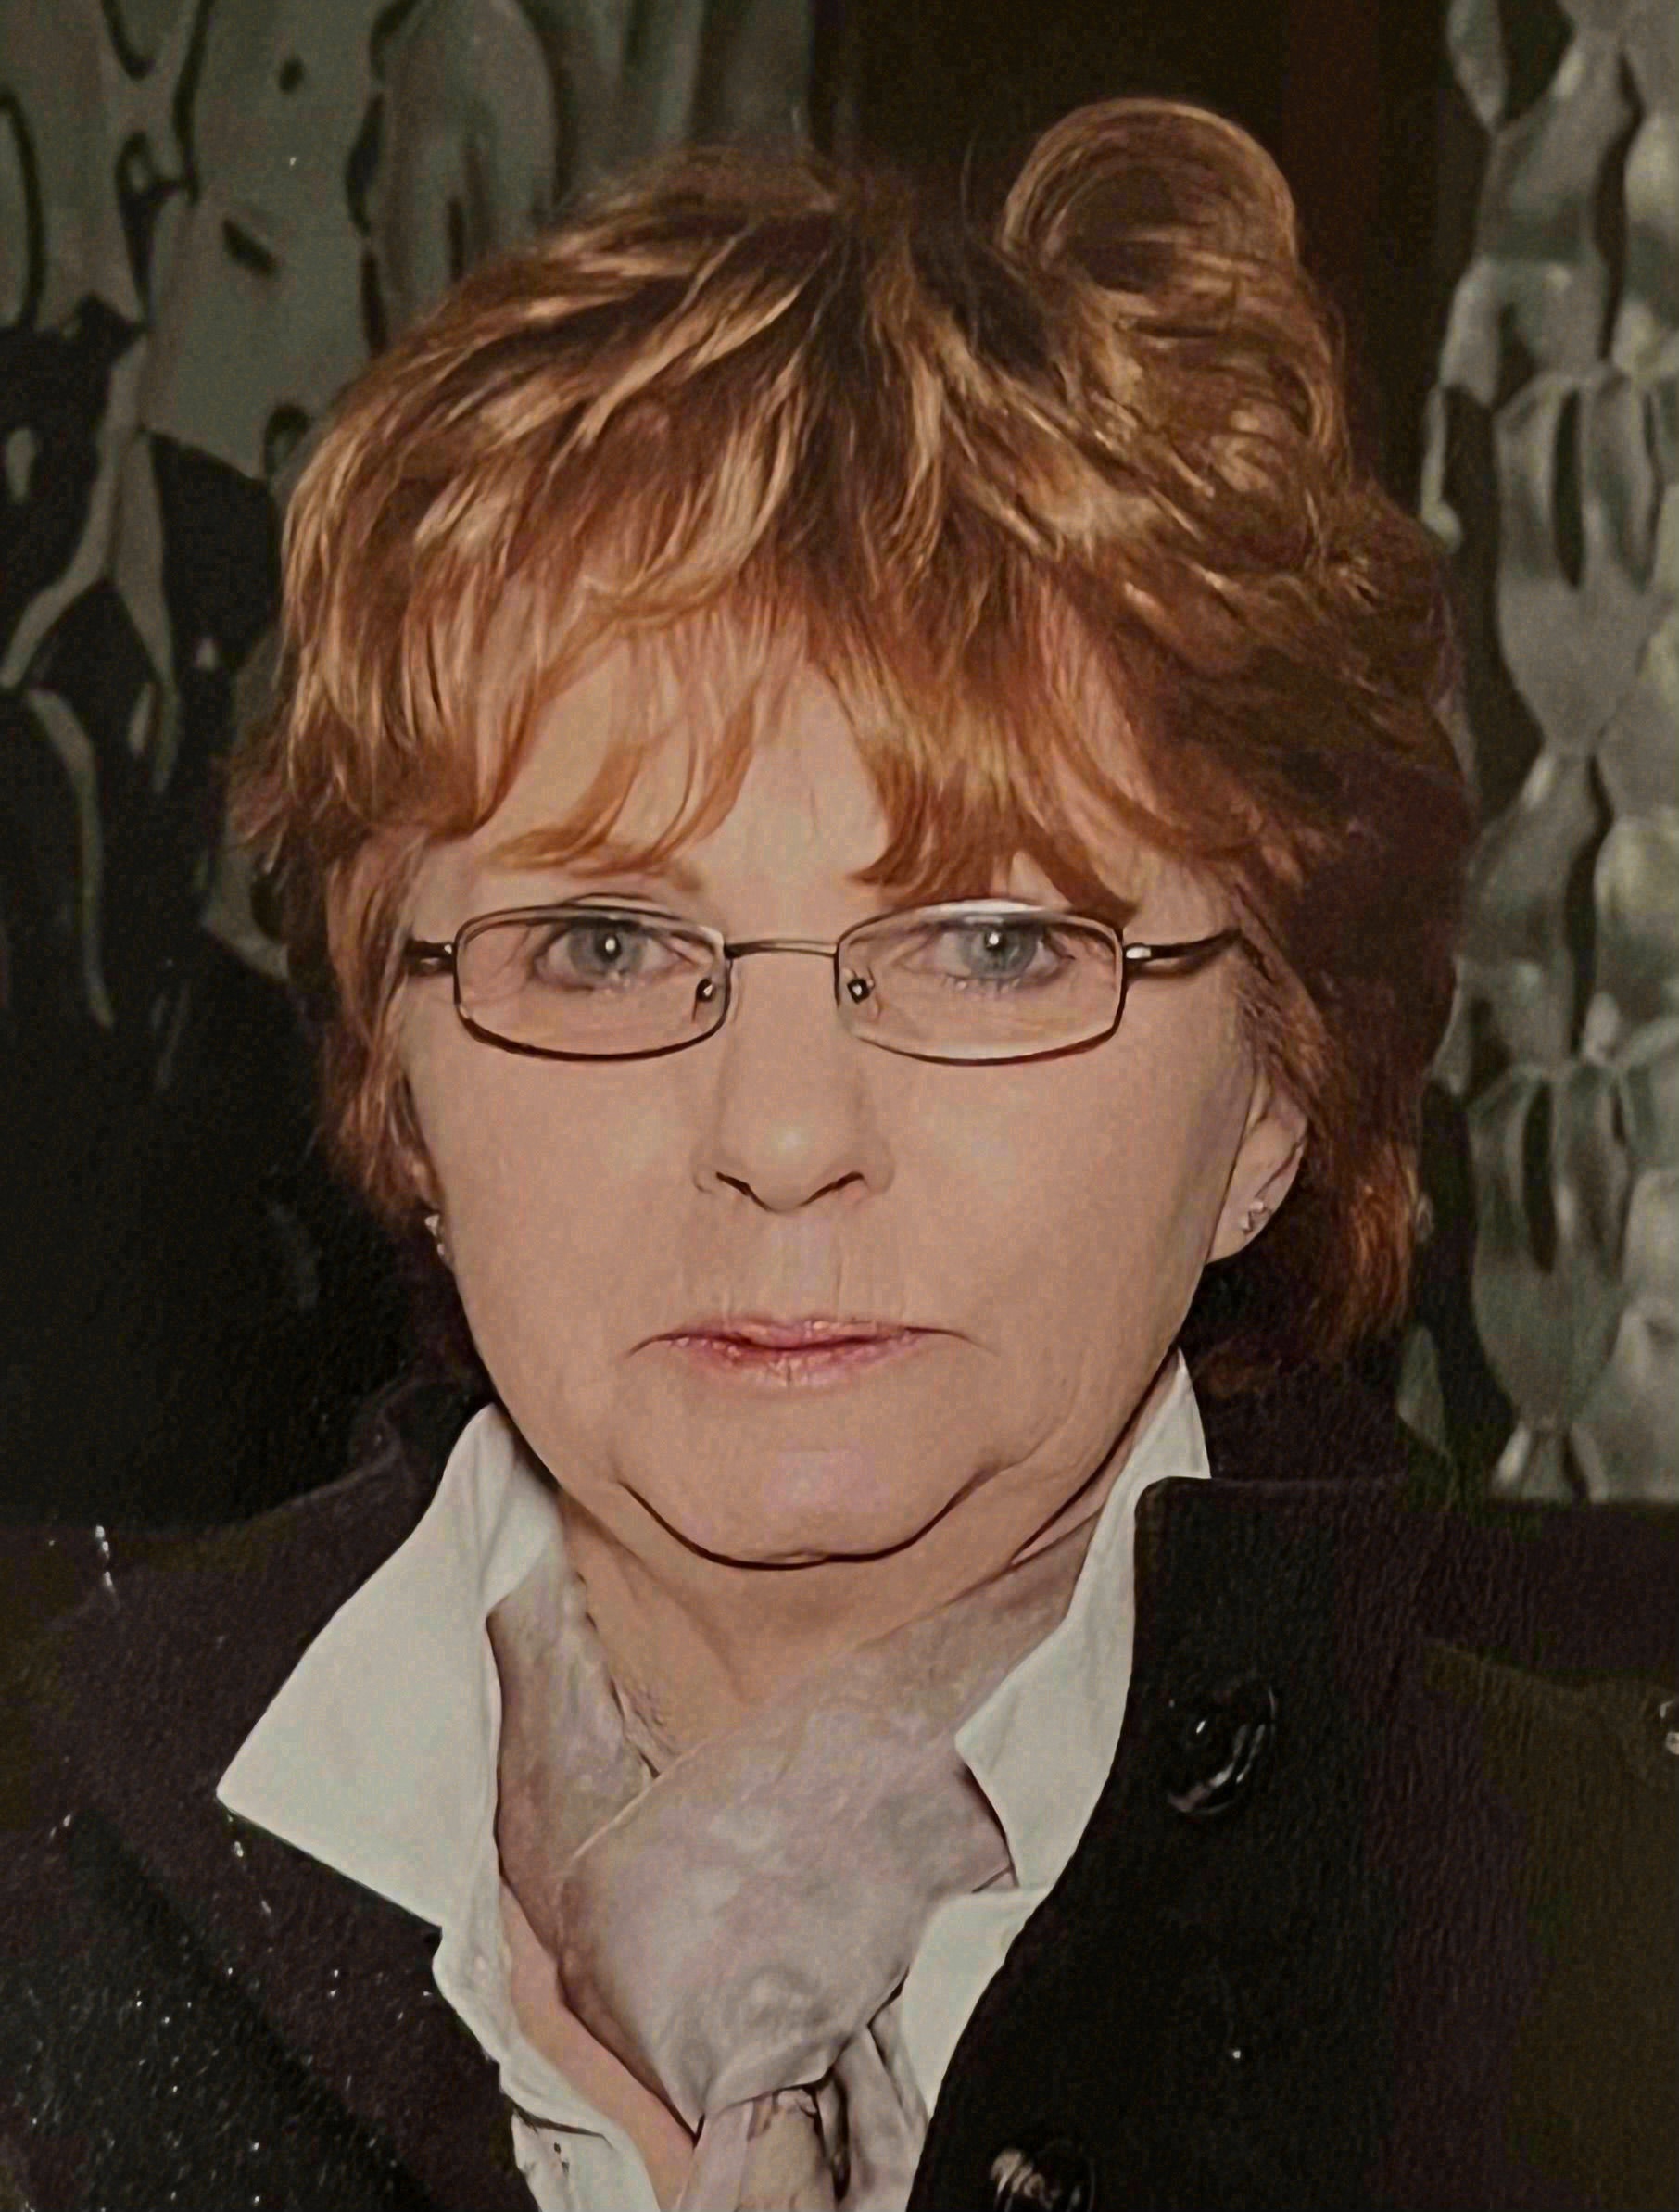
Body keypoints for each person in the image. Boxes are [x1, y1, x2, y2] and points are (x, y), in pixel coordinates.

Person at [2, 98, 1673, 2212]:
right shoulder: (51, 1890)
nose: (784, 1139)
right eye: (606, 944)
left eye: (993, 945)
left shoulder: (1603, 1987)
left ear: (1275, 1097)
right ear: (400, 1082)